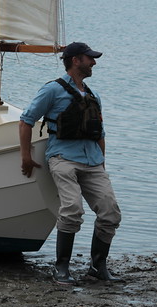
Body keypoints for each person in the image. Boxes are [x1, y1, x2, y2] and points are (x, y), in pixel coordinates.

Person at [19, 42, 122, 285]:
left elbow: (100, 134)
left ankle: (98, 267)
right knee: (72, 210)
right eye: (90, 58)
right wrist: (25, 156)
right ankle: (61, 268)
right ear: (76, 60)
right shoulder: (52, 90)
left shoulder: (94, 95)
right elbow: (26, 121)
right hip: (63, 158)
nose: (94, 62)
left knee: (110, 212)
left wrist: (102, 165)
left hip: (93, 162)